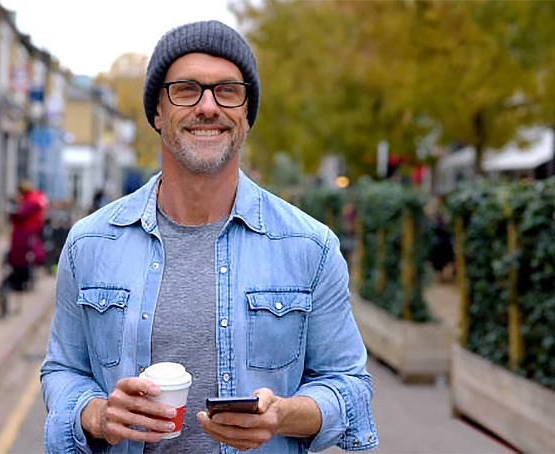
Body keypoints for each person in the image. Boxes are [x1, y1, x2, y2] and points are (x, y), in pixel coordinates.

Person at [41, 20, 377, 453]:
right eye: (186, 90)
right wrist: (97, 415)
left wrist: (282, 415)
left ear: (246, 115)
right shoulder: (89, 244)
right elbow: (63, 370)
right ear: (157, 112)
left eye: (228, 91)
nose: (207, 107)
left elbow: (349, 384)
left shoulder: (310, 247)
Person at [6, 180, 47, 290]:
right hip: (30, 231)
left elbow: (22, 214)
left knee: (21, 256)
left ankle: (19, 281)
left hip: (24, 232)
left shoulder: (30, 200)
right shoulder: (36, 198)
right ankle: (21, 279)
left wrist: (13, 212)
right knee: (26, 254)